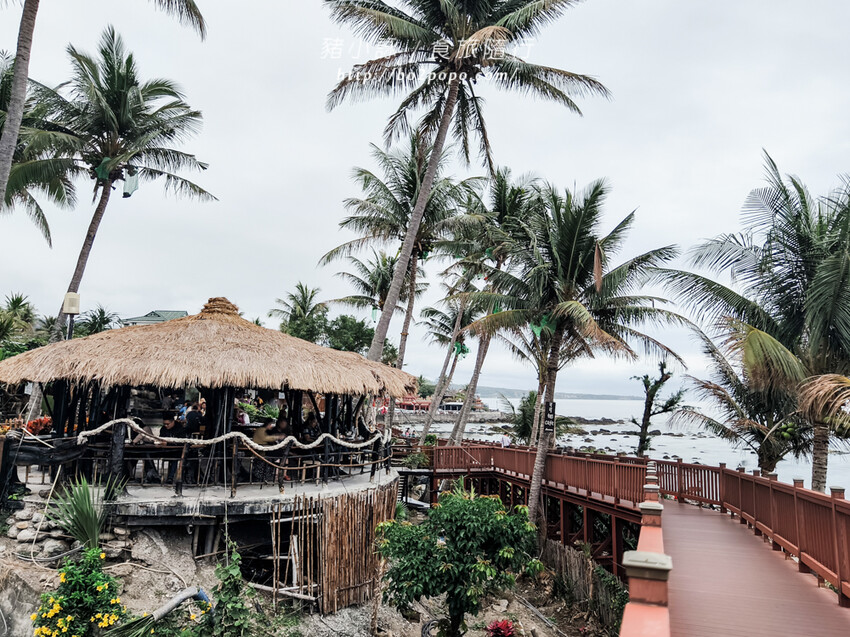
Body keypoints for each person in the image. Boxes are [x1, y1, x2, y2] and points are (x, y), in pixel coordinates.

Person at [160, 411, 187, 483]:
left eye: (167, 424)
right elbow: (161, 438)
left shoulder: (180, 428)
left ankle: (170, 477)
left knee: (175, 458)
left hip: (177, 451)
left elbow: (181, 442)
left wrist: (168, 443)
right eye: (164, 424)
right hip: (165, 450)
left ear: (172, 422)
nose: (166, 426)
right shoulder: (163, 429)